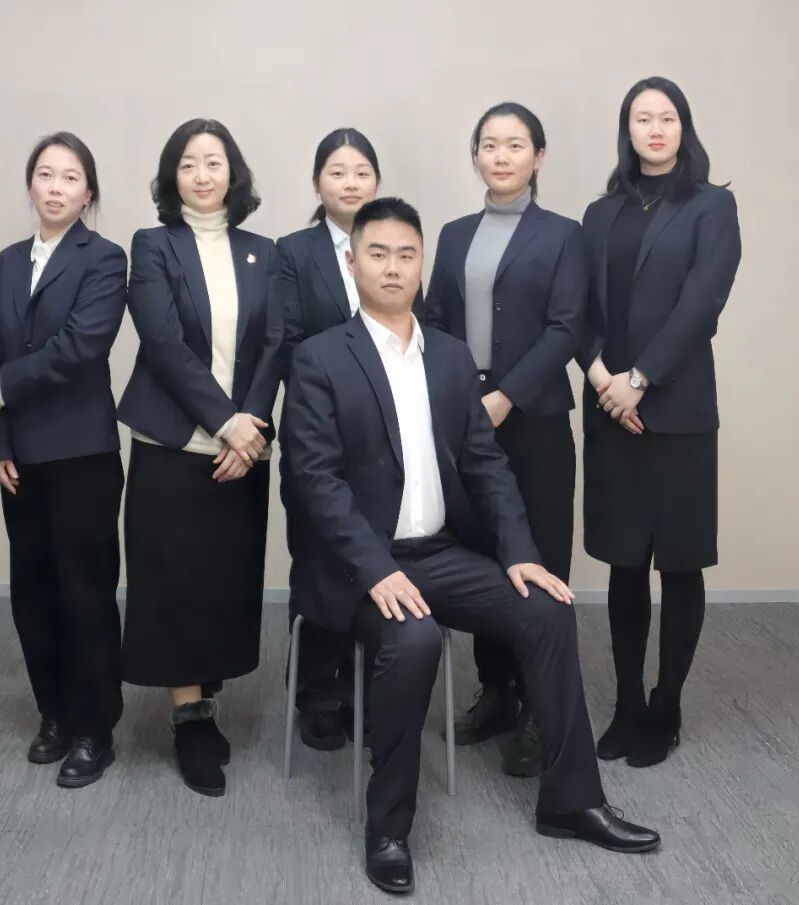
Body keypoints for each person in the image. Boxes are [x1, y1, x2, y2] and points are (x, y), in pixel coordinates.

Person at [283, 197, 659, 895]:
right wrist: (375, 570)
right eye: (377, 254)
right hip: (360, 566)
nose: (392, 268)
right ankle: (388, 827)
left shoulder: (450, 359)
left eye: (406, 254)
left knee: (547, 610)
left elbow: (486, 467)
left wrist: (520, 553)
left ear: (421, 263)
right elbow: (315, 482)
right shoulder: (318, 359)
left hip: (437, 553)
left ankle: (571, 800)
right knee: (415, 639)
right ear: (352, 262)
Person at [117, 118, 283, 797]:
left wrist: (253, 426)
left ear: (233, 173)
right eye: (188, 164)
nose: (203, 175)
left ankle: (207, 703)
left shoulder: (264, 251)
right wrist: (225, 422)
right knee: (175, 584)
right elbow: (162, 343)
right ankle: (187, 717)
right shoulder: (153, 245)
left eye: (214, 162)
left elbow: (276, 343)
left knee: (224, 582)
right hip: (174, 443)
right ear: (172, 177)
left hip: (245, 445)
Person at [579, 76, 742, 767]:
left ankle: (666, 704)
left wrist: (639, 380)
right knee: (623, 565)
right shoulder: (600, 212)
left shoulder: (711, 205)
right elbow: (578, 307)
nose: (654, 128)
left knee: (678, 564)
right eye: (642, 118)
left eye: (666, 117)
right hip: (610, 408)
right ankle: (625, 704)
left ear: (684, 127)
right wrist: (604, 382)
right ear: (627, 129)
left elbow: (702, 304)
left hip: (676, 411)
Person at [424, 102, 586, 777]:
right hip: (468, 421)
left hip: (536, 419)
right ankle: (497, 692)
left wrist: (506, 395)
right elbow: (435, 318)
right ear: (476, 156)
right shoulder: (455, 234)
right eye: (489, 144)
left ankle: (541, 712)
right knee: (484, 554)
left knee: (540, 558)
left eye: (515, 145)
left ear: (538, 156)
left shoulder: (564, 235)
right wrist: (458, 396)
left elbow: (566, 327)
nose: (500, 155)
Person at [0, 132, 127, 788]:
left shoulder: (105, 259)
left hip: (82, 452)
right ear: (30, 185)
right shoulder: (5, 263)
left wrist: (5, 387)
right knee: (31, 593)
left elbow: (82, 344)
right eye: (45, 174)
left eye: (70, 177)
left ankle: (95, 728)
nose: (56, 186)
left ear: (88, 193)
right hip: (19, 459)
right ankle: (55, 713)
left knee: (85, 593)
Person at [278, 128, 382, 751]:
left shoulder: (391, 244)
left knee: (374, 559)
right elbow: (288, 342)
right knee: (318, 562)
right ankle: (317, 692)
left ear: (377, 181)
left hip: (383, 437)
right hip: (316, 434)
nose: (350, 183)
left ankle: (366, 688)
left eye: (362, 171)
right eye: (337, 172)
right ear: (318, 183)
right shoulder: (293, 251)